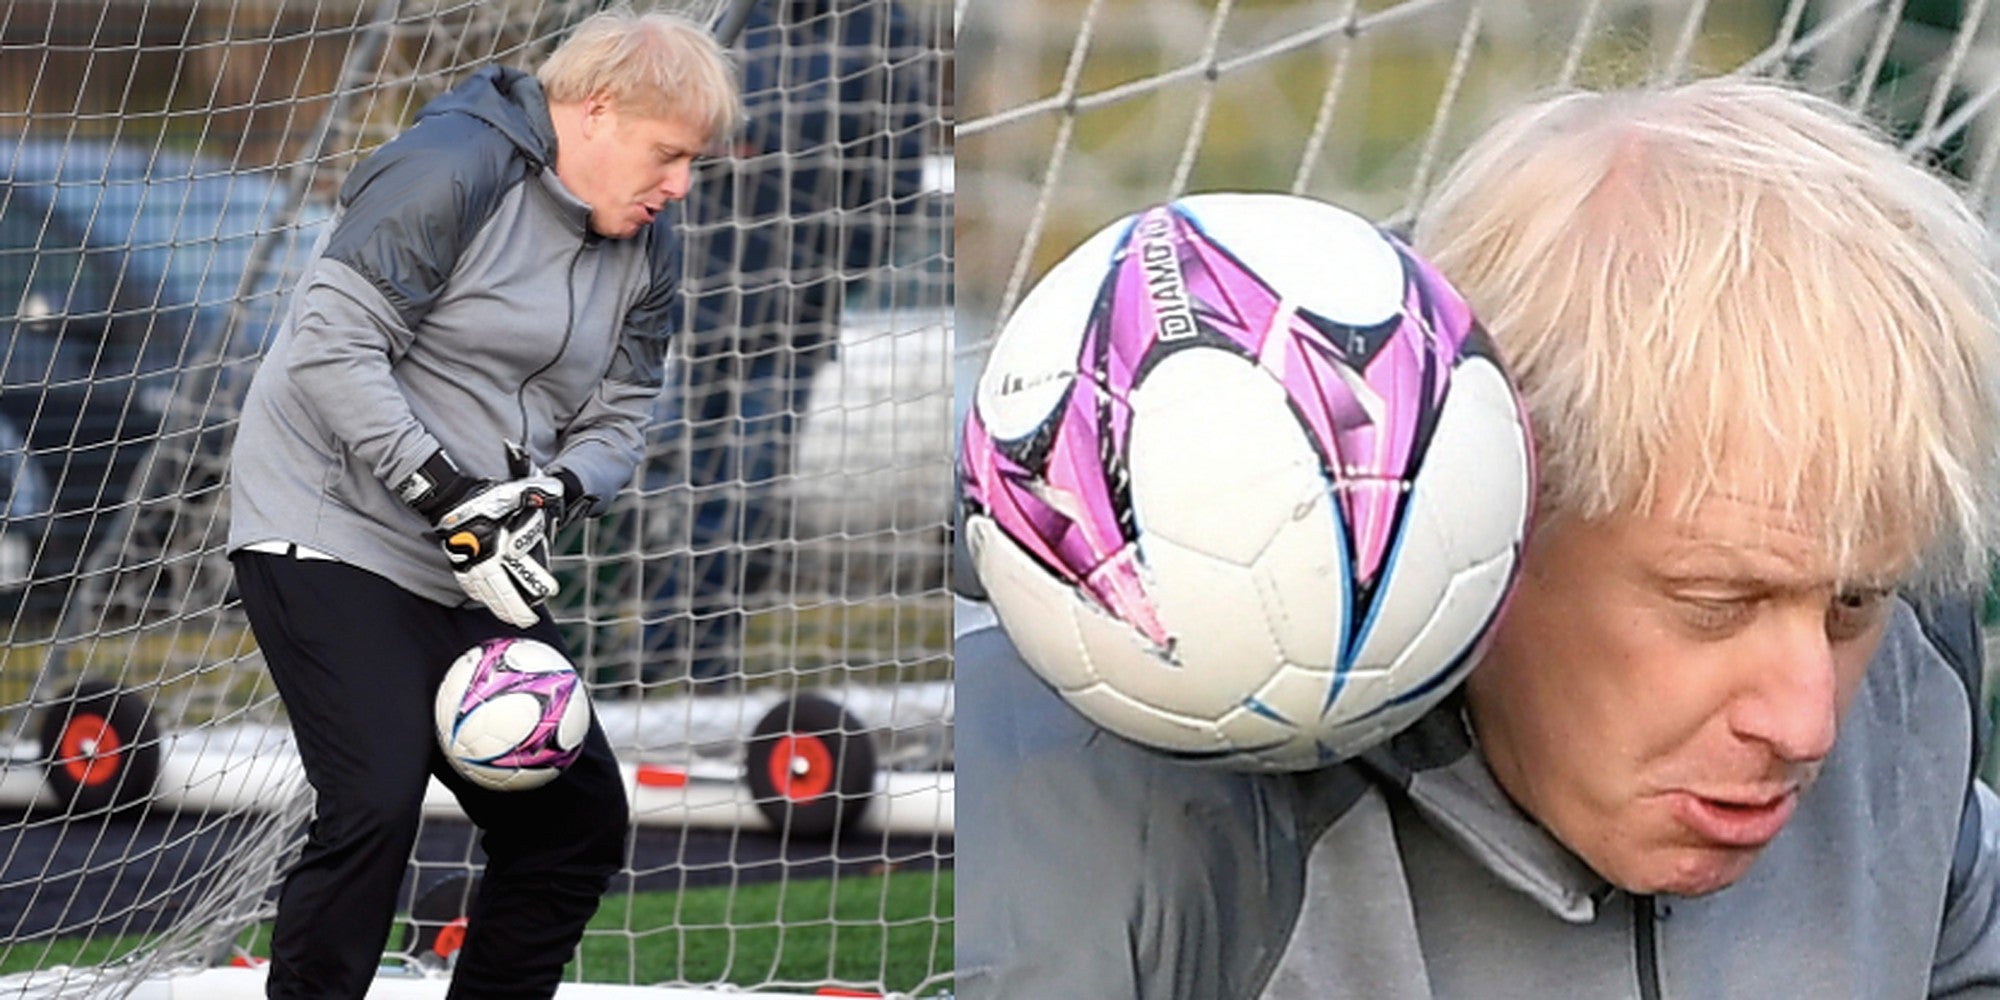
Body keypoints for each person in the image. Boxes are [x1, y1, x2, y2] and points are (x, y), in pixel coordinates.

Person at [955, 77, 2000, 998]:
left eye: (1850, 602)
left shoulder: (1910, 703)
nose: (1806, 721)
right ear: (1492, 520)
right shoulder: (1140, 844)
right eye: (1712, 605)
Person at [224, 9, 736, 998]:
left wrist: (556, 488)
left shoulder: (647, 243)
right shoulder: (450, 167)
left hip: (480, 556)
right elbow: (330, 346)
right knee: (374, 798)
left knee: (574, 823)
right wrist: (451, 498)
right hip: (329, 527)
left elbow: (625, 410)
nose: (680, 184)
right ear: (595, 112)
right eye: (669, 154)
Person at [637, 0, 936, 691]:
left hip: (793, 316)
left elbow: (895, 185)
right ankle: (646, 662)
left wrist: (828, 282)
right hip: (693, 305)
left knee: (745, 493)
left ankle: (703, 668)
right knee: (668, 486)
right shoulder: (731, 23)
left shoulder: (881, 34)